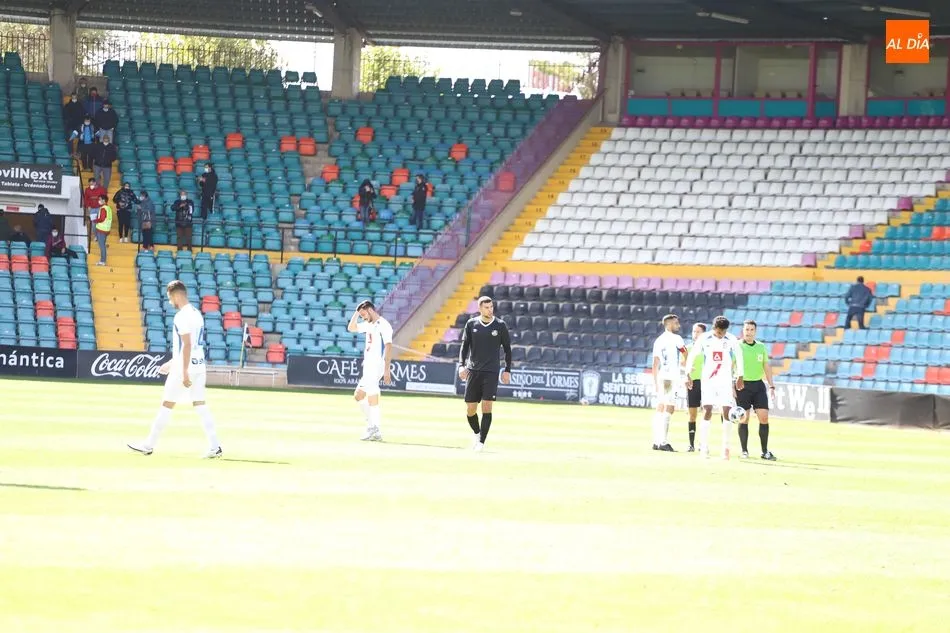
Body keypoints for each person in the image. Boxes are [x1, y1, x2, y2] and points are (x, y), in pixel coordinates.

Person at [128, 279, 222, 459]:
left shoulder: (181, 316)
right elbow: (190, 345)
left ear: (176, 295)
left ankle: (148, 445)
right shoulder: (196, 313)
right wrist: (172, 362)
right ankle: (215, 446)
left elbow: (187, 345)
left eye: (170, 297)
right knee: (200, 404)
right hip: (199, 365)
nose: (170, 301)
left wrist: (183, 371)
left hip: (185, 368)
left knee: (167, 404)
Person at [685, 316, 744, 460]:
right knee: (707, 410)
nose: (721, 335)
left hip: (725, 380)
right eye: (719, 332)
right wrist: (687, 373)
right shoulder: (704, 338)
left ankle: (726, 447)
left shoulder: (732, 339)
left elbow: (739, 357)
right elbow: (692, 355)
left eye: (723, 332)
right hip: (708, 380)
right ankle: (704, 447)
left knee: (727, 412)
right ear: (714, 328)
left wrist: (740, 376)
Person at [458, 296, 512, 451]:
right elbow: (464, 346)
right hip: (473, 371)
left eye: (491, 307)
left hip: (491, 372)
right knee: (470, 409)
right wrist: (461, 366)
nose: (490, 310)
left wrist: (507, 370)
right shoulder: (471, 324)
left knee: (487, 406)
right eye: (487, 307)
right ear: (480, 308)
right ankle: (477, 433)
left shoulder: (500, 325)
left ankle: (481, 443)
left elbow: (507, 349)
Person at [346, 300, 393, 442]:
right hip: (368, 365)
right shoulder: (368, 324)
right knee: (359, 395)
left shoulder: (383, 324)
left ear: (370, 310)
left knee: (372, 396)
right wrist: (357, 312)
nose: (363, 317)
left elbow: (388, 347)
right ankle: (374, 427)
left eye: (363, 314)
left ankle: (373, 427)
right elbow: (351, 328)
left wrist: (387, 369)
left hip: (376, 365)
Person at [736, 320, 777, 461]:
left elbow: (766, 366)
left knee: (764, 417)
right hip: (742, 385)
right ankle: (744, 451)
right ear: (743, 330)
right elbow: (730, 366)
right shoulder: (737, 346)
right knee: (744, 418)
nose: (749, 332)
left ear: (755, 331)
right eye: (746, 329)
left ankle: (764, 451)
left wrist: (771, 386)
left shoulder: (761, 347)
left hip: (758, 385)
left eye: (751, 329)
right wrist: (731, 386)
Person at [651, 313, 687, 452]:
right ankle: (663, 442)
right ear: (669, 324)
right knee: (670, 407)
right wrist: (685, 366)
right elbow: (685, 353)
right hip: (671, 378)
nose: (678, 325)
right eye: (676, 323)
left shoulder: (658, 340)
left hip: (662, 376)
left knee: (660, 406)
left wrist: (655, 382)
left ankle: (656, 441)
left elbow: (655, 364)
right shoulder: (677, 338)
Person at [685, 322, 707, 452]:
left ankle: (703, 443)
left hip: (706, 383)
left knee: (706, 413)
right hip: (692, 382)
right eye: (694, 331)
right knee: (692, 415)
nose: (695, 334)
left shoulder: (709, 348)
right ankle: (691, 444)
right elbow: (681, 364)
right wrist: (686, 371)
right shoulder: (688, 348)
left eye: (698, 331)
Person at [92, 194, 114, 266]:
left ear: (104, 200)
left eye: (100, 199)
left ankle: (102, 261)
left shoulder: (103, 208)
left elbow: (102, 218)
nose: (99, 201)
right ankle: (102, 260)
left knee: (102, 246)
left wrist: (95, 220)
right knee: (103, 245)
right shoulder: (108, 208)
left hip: (101, 229)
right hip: (106, 229)